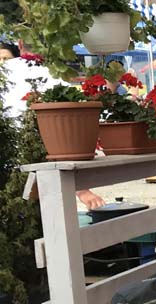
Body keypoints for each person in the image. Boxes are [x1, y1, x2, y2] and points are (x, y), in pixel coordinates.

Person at [1, 42, 105, 209]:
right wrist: (81, 189)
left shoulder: (10, 74)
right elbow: (68, 129)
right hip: (42, 165)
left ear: (19, 45)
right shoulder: (55, 73)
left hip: (18, 164)